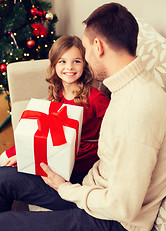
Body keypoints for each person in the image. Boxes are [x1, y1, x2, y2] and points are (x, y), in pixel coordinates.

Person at [0, 2, 166, 231]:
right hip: (92, 189)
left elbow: (124, 207)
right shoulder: (125, 87)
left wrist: (67, 189)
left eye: (86, 50)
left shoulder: (138, 109)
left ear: (98, 46)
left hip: (113, 221)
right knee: (4, 178)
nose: (85, 59)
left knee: (4, 225)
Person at [0, 35, 110, 184]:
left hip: (79, 160)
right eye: (62, 61)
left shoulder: (96, 98)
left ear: (84, 64)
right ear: (54, 65)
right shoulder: (58, 92)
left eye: (76, 61)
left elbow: (115, 127)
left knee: (15, 170)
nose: (69, 67)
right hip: (58, 147)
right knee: (12, 158)